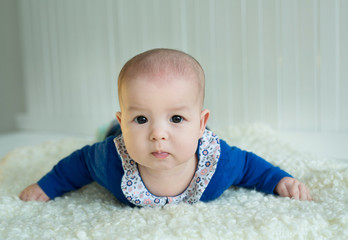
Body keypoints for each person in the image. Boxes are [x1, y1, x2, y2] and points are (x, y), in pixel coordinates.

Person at [19, 48, 312, 206]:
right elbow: (79, 164)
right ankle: (111, 127)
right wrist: (48, 185)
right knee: (109, 137)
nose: (158, 134)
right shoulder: (110, 159)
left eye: (175, 118)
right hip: (117, 136)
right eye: (141, 119)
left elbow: (250, 167)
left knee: (180, 136)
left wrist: (278, 180)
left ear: (201, 123)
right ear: (126, 122)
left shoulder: (218, 163)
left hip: (192, 141)